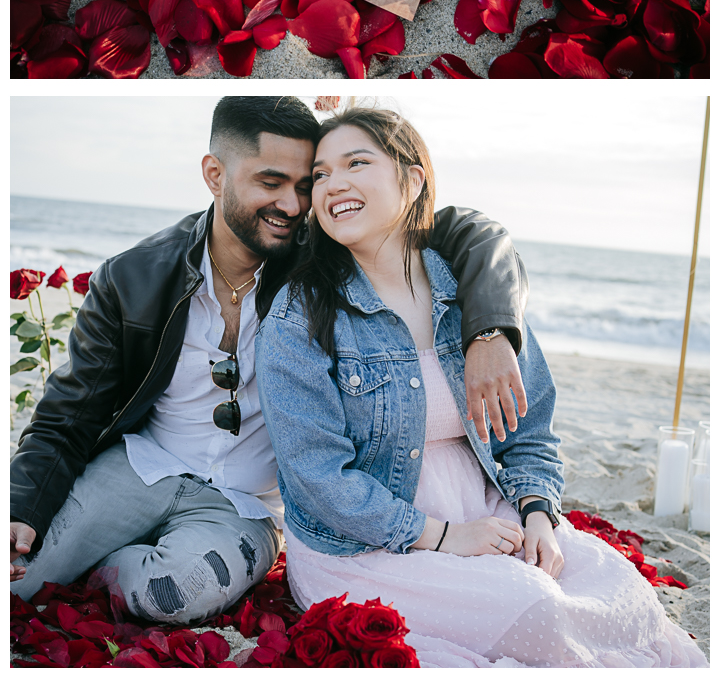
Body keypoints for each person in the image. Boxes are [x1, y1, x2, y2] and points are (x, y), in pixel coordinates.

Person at [11, 95, 530, 626]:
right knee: (17, 573)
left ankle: (112, 567)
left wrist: (490, 331)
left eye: (305, 186)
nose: (292, 204)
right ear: (215, 175)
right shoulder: (134, 277)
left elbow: (471, 231)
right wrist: (21, 508)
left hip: (248, 504)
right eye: (269, 182)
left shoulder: (324, 254)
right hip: (141, 467)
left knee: (172, 595)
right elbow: (67, 412)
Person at [255, 105, 708, 668]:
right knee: (535, 612)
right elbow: (318, 477)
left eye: (356, 163)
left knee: (620, 592)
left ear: (412, 177)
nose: (333, 185)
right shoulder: (300, 317)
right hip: (365, 543)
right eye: (320, 174)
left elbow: (530, 428)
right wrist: (447, 537)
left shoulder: (474, 299)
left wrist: (539, 512)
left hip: (488, 505)